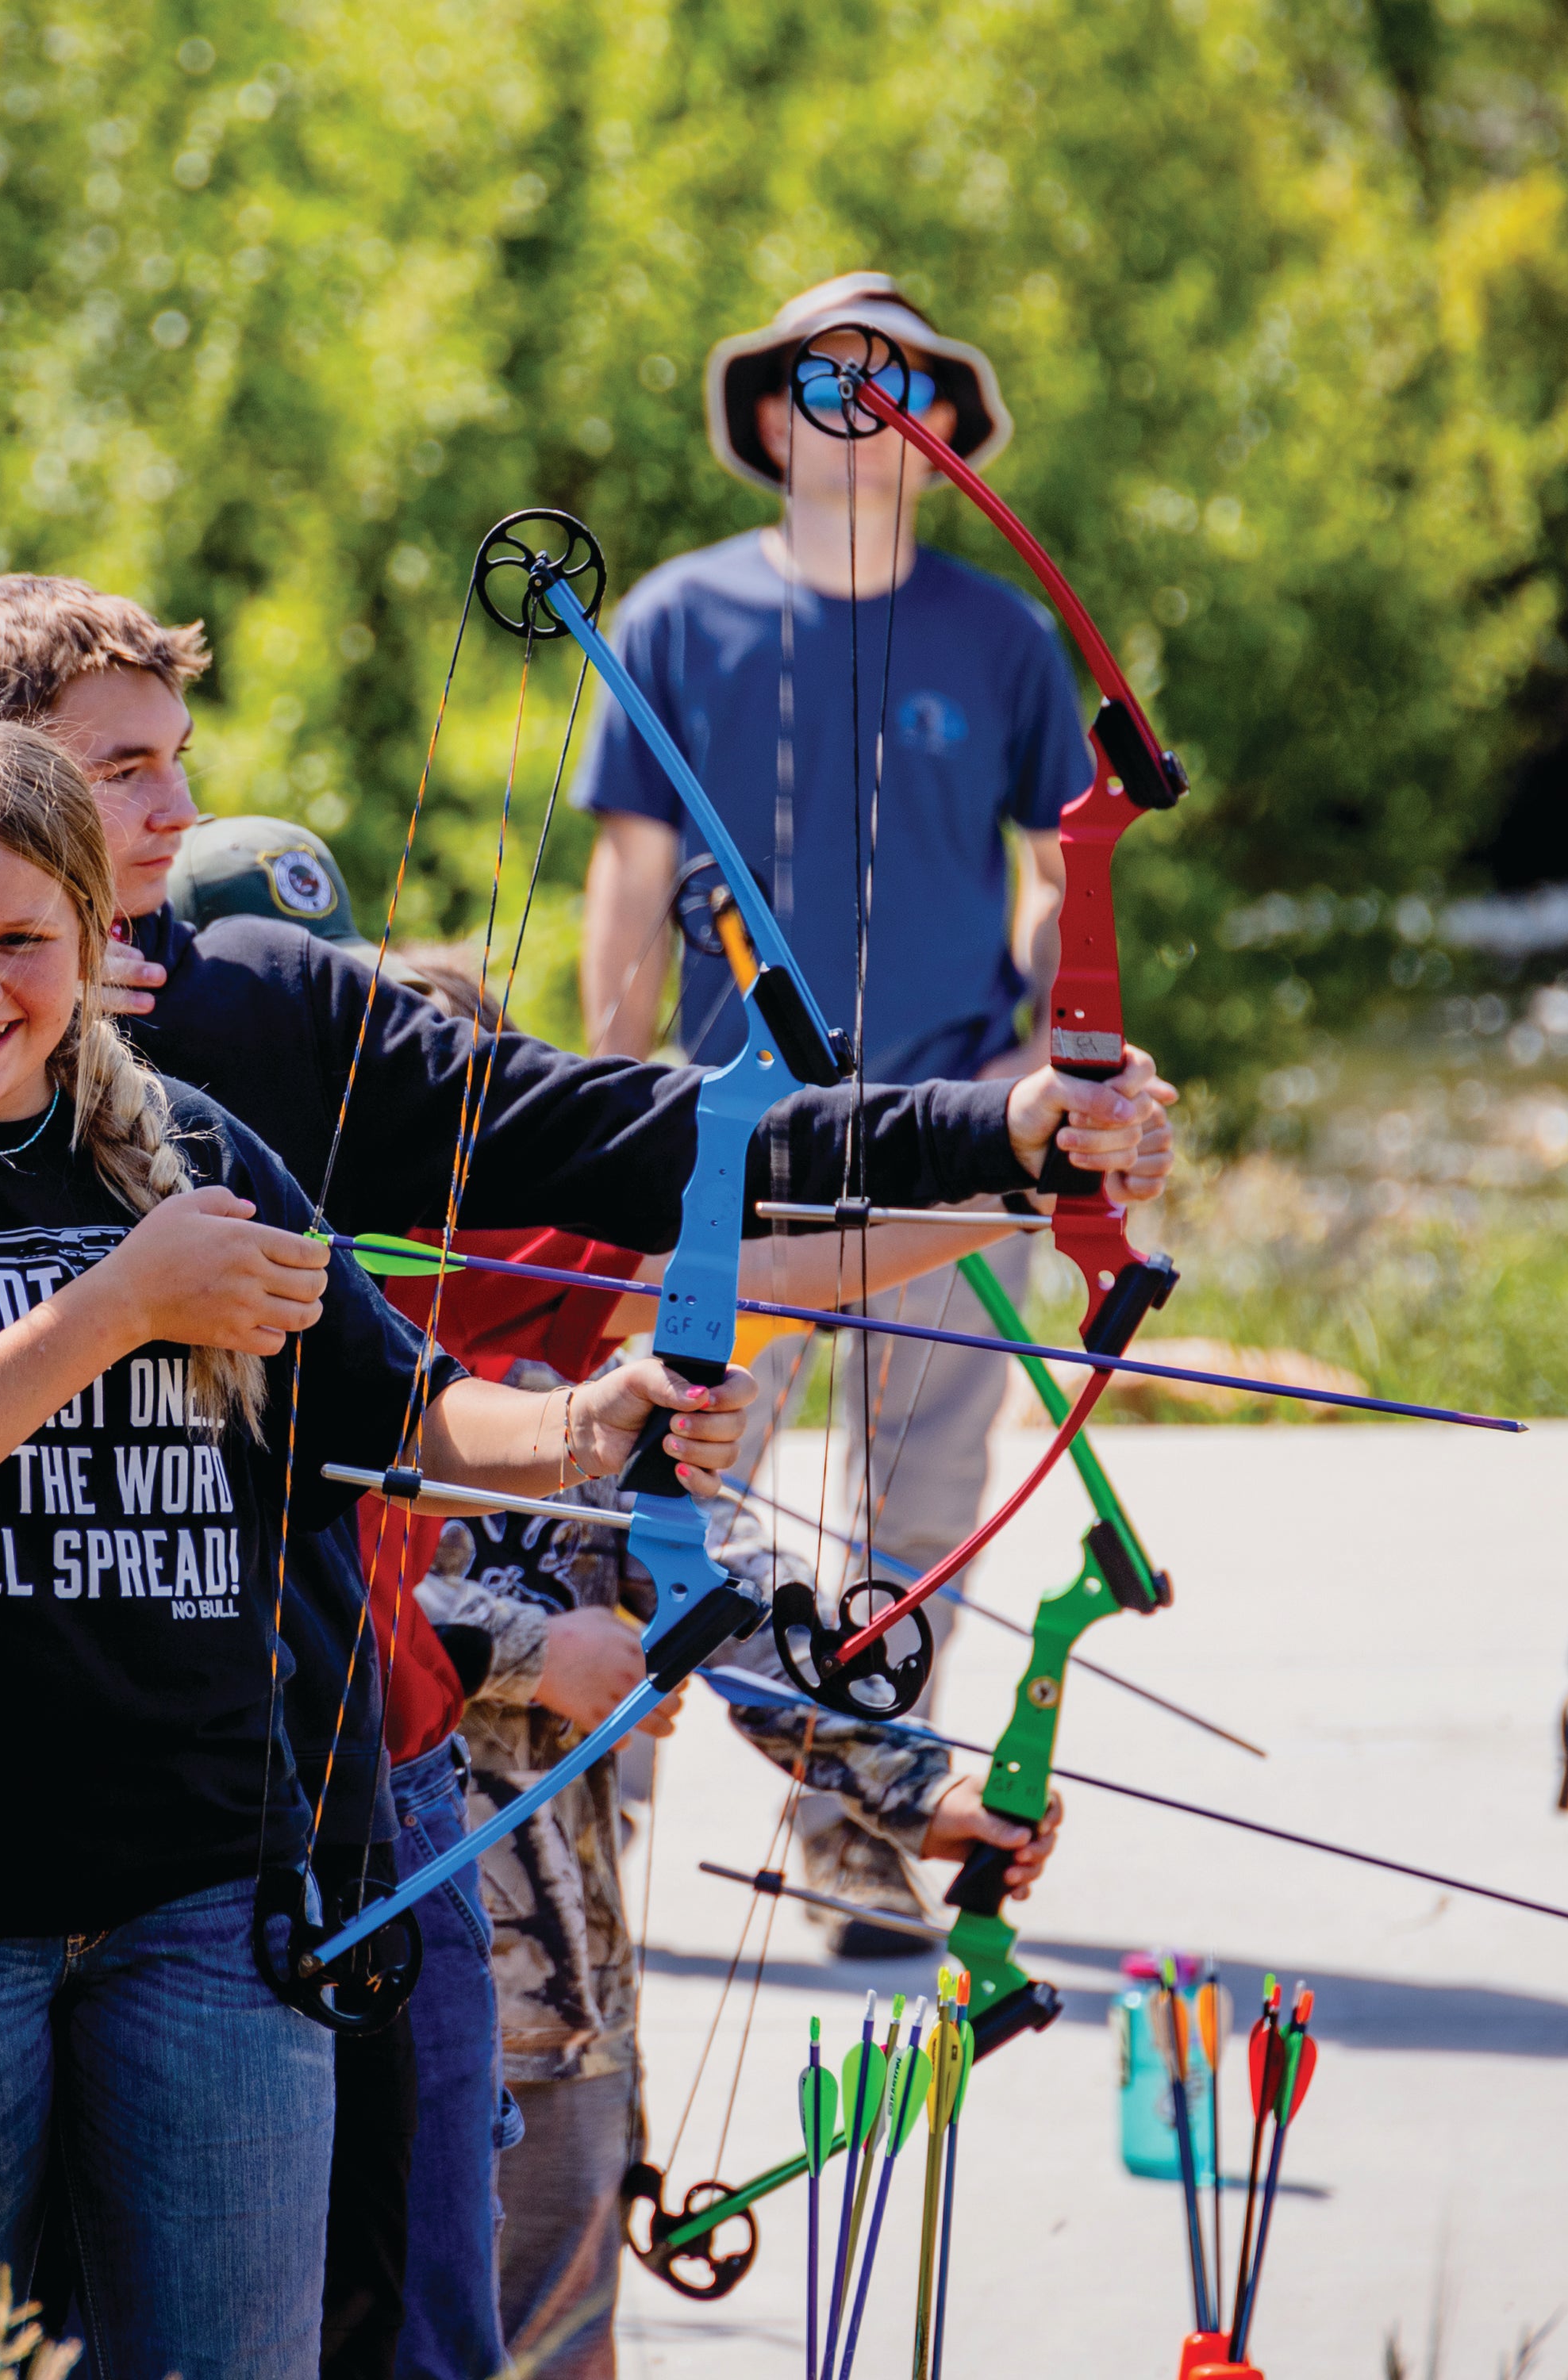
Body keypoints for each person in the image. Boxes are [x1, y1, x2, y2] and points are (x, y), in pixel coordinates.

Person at [0, 715, 760, 2380]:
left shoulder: (191, 1151)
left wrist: (598, 1421)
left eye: (23, 943)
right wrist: (115, 1310)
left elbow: (407, 1418)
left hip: (203, 1904)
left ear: (95, 946)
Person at [361, 946, 1093, 2380]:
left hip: (559, 2002)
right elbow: (289, 1596)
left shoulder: (564, 1320)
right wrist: (535, 1647)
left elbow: (718, 1571)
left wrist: (909, 1787)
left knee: (557, 2348)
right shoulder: (263, 1318)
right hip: (331, 1975)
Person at [575, 271, 1089, 1946]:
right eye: (830, 382)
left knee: (921, 1501)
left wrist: (1045, 1060)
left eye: (902, 390)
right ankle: (586, 1811)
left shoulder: (1003, 636)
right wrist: (607, 1107)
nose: (865, 415)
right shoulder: (674, 619)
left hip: (944, 1139)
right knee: (672, 1481)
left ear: (944, 438)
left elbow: (1059, 869)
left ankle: (857, 1818)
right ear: (779, 418)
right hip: (737, 1145)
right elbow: (631, 874)